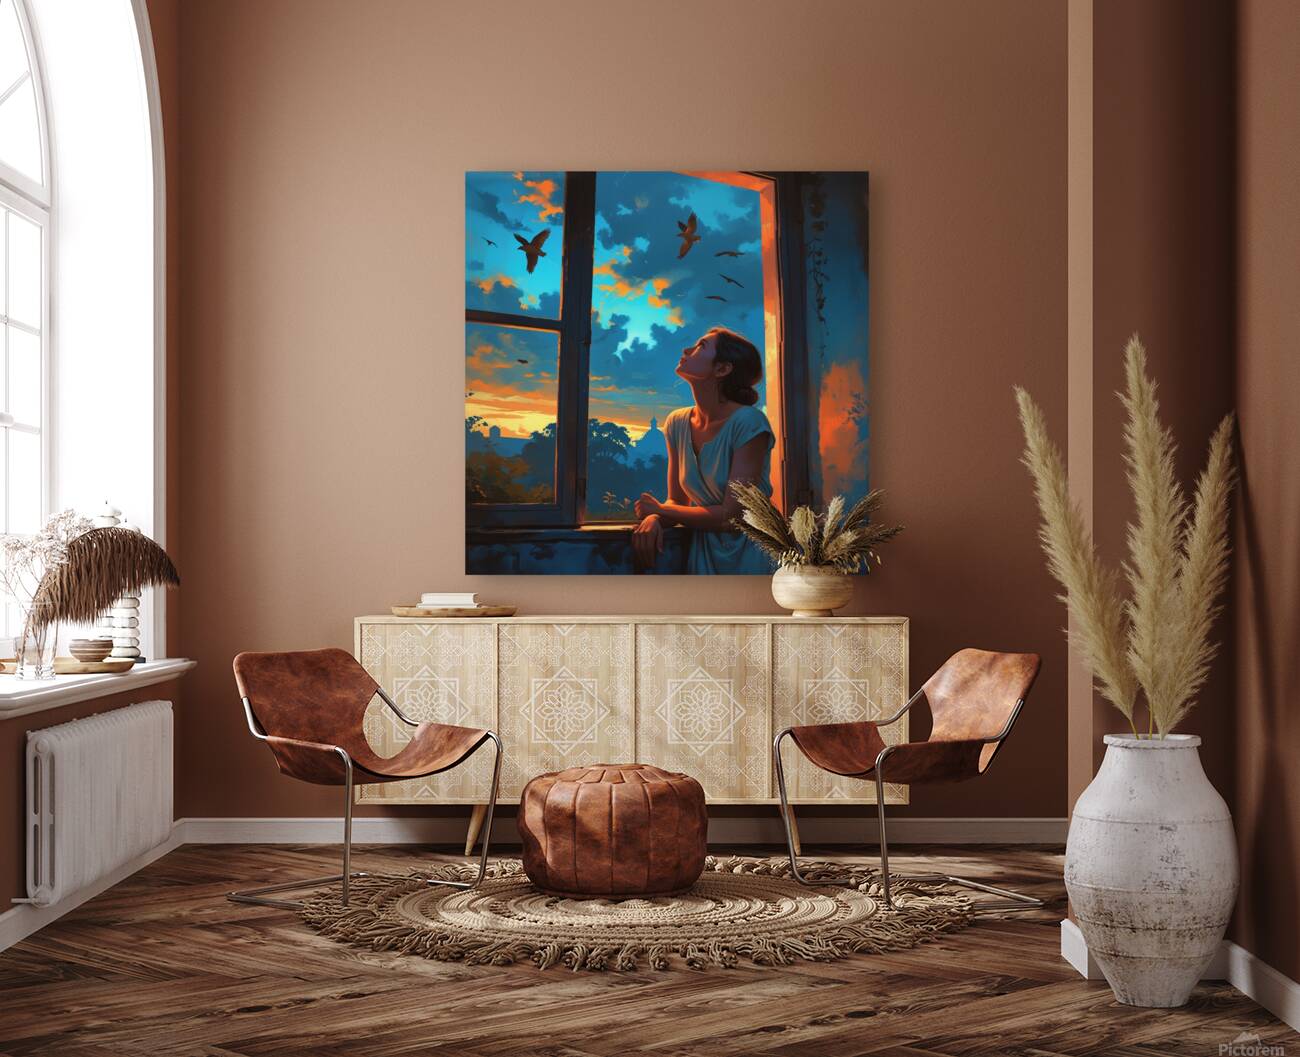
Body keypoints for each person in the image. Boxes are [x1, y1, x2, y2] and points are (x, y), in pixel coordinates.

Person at [632, 327, 776, 574]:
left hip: (754, 554)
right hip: (704, 554)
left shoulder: (749, 423)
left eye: (701, 346)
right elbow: (677, 501)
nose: (686, 350)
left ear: (722, 369)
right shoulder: (676, 423)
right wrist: (655, 518)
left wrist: (659, 509)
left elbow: (732, 516)